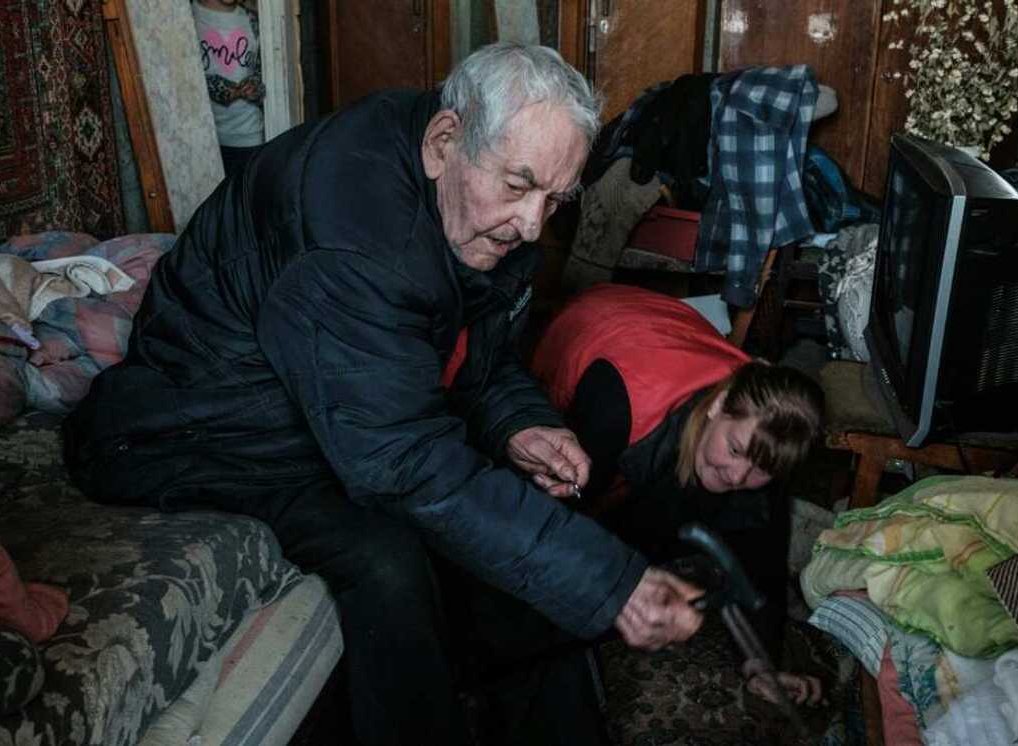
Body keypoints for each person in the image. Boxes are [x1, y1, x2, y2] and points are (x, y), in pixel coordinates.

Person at [63, 43, 704, 745]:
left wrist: (518, 423)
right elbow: (399, 458)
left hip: (302, 409)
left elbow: (472, 355)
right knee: (392, 562)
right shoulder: (357, 240)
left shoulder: (463, 185)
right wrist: (609, 582)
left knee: (512, 536)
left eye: (555, 198)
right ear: (443, 142)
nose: (532, 224)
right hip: (190, 433)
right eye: (519, 186)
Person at [531, 282, 827, 707]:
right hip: (598, 330)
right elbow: (551, 526)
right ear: (719, 405)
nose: (738, 475)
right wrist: (616, 588)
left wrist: (761, 665)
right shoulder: (619, 406)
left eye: (762, 469)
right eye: (736, 450)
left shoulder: (767, 441)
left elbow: (760, 570)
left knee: (704, 514)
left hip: (672, 345)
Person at [192, 0, 265, 175]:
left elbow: (263, 73)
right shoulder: (186, 18)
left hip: (249, 135)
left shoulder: (253, 20)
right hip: (201, 138)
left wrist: (255, 87)